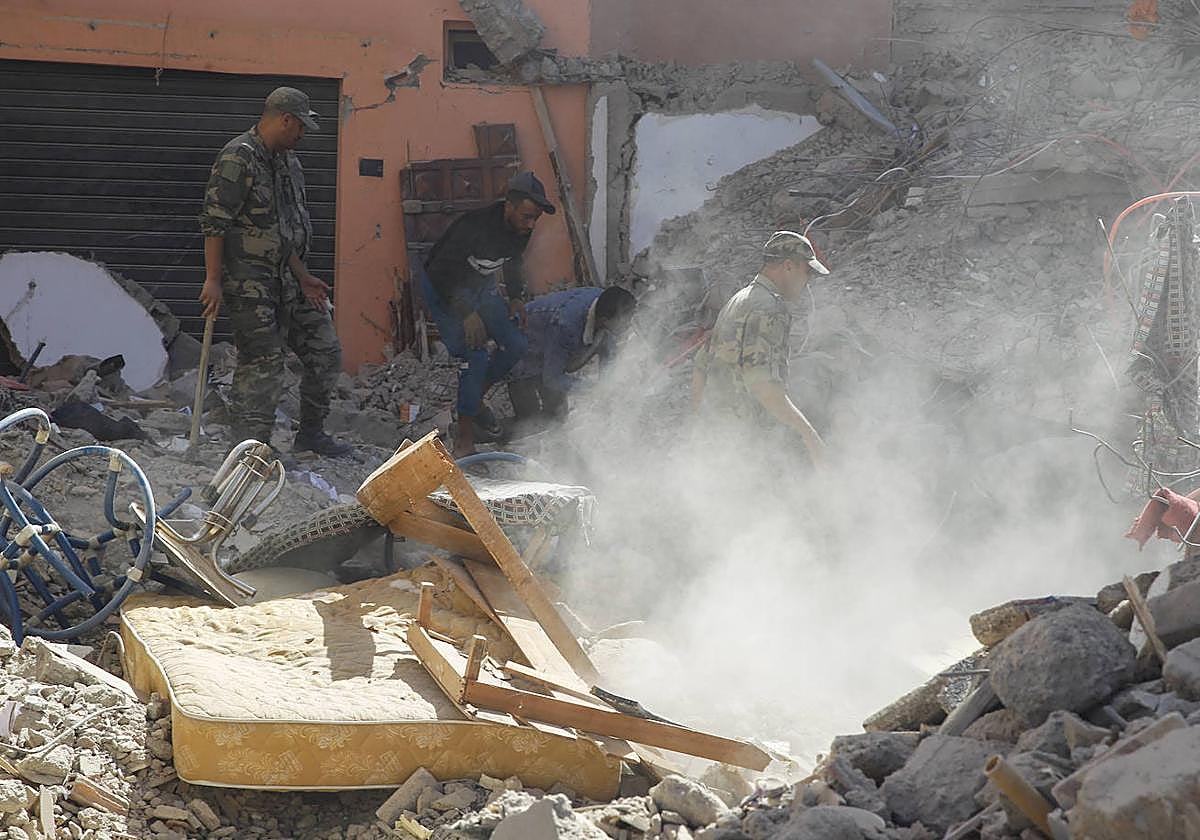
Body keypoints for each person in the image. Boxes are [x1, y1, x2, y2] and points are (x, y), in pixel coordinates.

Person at [198, 86, 350, 457]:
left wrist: (303, 276)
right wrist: (213, 280)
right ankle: (250, 451)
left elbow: (282, 233)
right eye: (300, 128)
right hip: (250, 283)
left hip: (289, 280)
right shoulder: (238, 159)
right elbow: (215, 224)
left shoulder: (286, 161)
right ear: (285, 120)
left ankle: (311, 434)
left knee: (325, 351)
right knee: (262, 364)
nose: (302, 137)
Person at [422, 170, 555, 456]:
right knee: (475, 354)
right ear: (509, 205)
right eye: (526, 216)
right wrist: (466, 312)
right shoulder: (475, 227)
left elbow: (513, 260)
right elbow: (438, 272)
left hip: (480, 287)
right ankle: (464, 440)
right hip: (444, 288)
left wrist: (517, 296)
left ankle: (473, 400)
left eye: (535, 219)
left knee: (516, 344)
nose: (531, 225)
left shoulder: (521, 230)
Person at [691, 230, 829, 466]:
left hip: (717, 442)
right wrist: (809, 436)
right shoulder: (770, 308)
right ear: (788, 266)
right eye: (806, 273)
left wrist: (697, 428)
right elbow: (763, 386)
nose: (806, 283)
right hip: (748, 449)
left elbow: (700, 367)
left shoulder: (738, 301)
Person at [506, 285, 637, 431]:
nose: (629, 324)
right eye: (625, 320)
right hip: (523, 347)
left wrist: (608, 388)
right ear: (605, 320)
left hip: (552, 349)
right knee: (530, 422)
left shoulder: (607, 304)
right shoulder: (566, 324)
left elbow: (608, 355)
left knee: (557, 415)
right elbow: (553, 378)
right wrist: (593, 390)